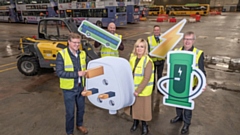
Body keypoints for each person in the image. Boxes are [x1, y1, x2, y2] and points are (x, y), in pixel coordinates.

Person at [170, 31, 206, 134]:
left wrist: (203, 82)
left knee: (187, 105)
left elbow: (202, 70)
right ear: (183, 40)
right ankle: (179, 116)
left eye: (189, 39)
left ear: (193, 40)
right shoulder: (176, 51)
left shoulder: (198, 53)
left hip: (191, 85)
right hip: (178, 83)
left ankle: (186, 123)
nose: (187, 41)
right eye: (185, 39)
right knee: (177, 101)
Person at [56, 33, 88, 135]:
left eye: (78, 43)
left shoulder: (82, 54)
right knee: (70, 113)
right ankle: (69, 132)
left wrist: (85, 85)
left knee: (81, 110)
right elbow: (59, 72)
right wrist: (77, 74)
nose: (77, 45)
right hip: (69, 89)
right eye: (74, 42)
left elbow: (86, 71)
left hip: (80, 87)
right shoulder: (62, 54)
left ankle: (79, 125)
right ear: (69, 42)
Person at [125, 38, 154, 135]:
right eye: (137, 46)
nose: (139, 49)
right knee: (134, 108)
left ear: (145, 48)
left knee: (143, 110)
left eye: (142, 47)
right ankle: (135, 122)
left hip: (143, 91)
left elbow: (146, 78)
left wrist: (138, 90)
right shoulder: (132, 58)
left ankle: (145, 125)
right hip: (133, 90)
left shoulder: (148, 61)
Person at [147, 25, 165, 92]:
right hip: (153, 61)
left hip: (161, 60)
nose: (156, 31)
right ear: (153, 31)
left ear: (160, 31)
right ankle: (152, 88)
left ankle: (160, 89)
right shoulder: (149, 39)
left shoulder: (164, 38)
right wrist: (149, 55)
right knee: (152, 76)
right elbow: (147, 50)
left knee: (160, 75)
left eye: (158, 30)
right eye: (155, 30)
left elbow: (166, 48)